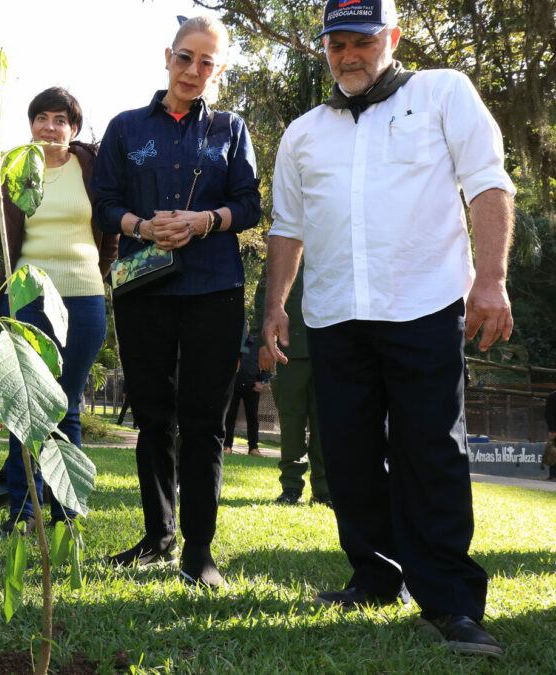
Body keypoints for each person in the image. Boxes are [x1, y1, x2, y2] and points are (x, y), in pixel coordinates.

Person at [261, 0, 514, 657]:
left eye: (362, 41)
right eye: (336, 44)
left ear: (392, 38)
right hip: (336, 316)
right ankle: (376, 576)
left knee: (430, 451)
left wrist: (491, 280)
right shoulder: (303, 132)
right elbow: (287, 227)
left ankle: (453, 603)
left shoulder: (441, 93)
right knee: (347, 455)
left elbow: (489, 183)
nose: (348, 55)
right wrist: (275, 307)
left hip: (424, 307)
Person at [93, 15, 261, 589]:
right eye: (186, 57)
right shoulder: (124, 127)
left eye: (207, 63)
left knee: (205, 421)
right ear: (168, 55)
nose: (194, 71)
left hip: (214, 286)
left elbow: (249, 205)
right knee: (154, 416)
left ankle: (199, 550)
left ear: (219, 69)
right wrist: (141, 226)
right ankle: (156, 535)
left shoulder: (232, 130)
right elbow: (106, 205)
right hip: (145, 288)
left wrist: (206, 220)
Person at [0, 87, 118, 534]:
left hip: (84, 297)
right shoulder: (17, 169)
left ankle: (68, 512)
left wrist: (96, 277)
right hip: (28, 296)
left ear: (74, 128)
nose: (50, 127)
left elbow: (109, 232)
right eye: (42, 118)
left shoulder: (90, 167)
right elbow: (7, 234)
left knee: (66, 407)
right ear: (31, 124)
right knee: (26, 405)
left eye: (60, 120)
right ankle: (23, 513)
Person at [254, 264, 330, 506]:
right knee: (290, 422)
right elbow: (264, 297)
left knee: (325, 424)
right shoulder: (285, 247)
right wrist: (263, 343)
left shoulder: (334, 245)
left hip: (328, 350)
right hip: (289, 351)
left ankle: (324, 489)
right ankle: (291, 487)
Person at [223, 330, 268, 456]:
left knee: (252, 418)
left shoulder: (257, 344)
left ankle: (253, 448)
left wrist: (262, 381)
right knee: (230, 416)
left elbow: (266, 362)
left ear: (248, 327)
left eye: (246, 324)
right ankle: (227, 446)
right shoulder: (232, 341)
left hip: (252, 386)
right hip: (234, 385)